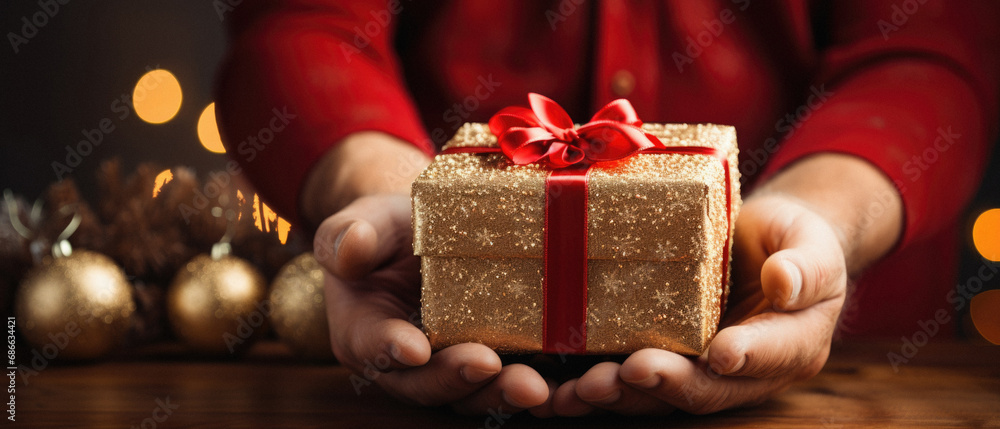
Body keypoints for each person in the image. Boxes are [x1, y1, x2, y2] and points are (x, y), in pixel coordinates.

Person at [215, 1, 999, 417]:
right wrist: (385, 195)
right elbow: (298, 29)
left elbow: (929, 53)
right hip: (419, 351)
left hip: (865, 380)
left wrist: (815, 217)